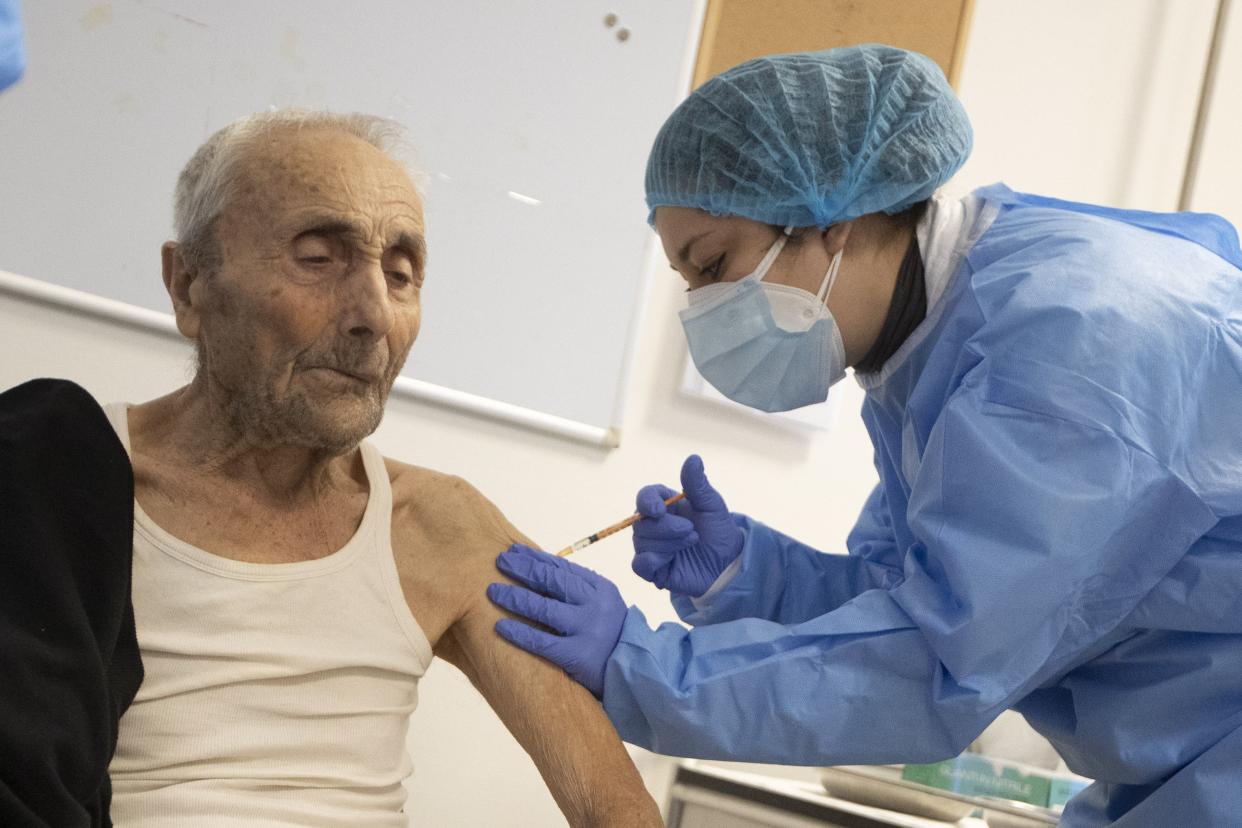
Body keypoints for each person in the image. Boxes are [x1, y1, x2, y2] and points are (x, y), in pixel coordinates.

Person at [488, 44, 1242, 826]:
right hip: (1184, 764)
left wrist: (641, 668)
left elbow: (931, 659)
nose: (702, 312)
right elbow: (912, 595)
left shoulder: (1066, 345)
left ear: (833, 220)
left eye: (713, 265)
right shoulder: (931, 353)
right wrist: (750, 577)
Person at [2, 110, 660, 826]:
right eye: (317, 259)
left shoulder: (439, 526)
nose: (373, 314)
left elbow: (617, 811)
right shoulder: (56, 477)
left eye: (403, 275)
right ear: (188, 284)